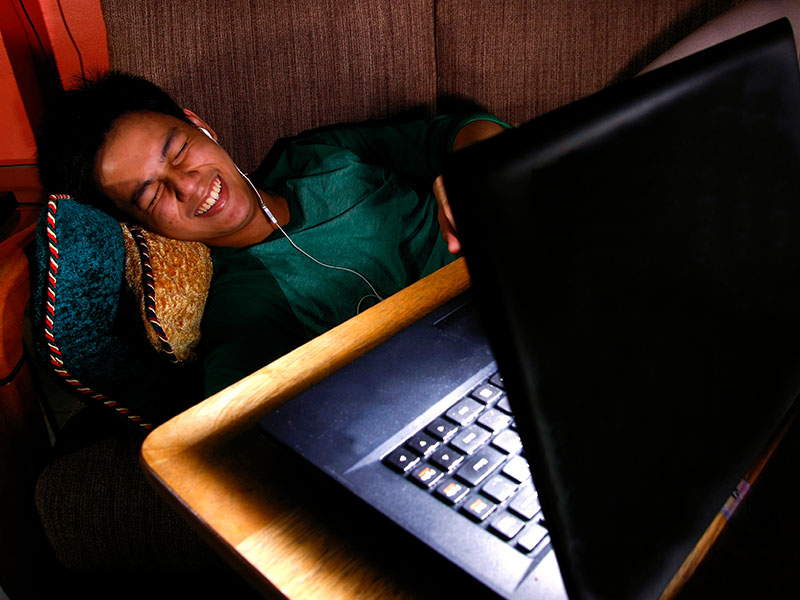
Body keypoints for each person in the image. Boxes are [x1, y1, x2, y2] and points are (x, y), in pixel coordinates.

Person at [35, 73, 508, 395]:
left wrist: (474, 169)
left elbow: (459, 131)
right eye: (151, 196)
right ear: (144, 228)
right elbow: (240, 411)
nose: (188, 184)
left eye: (178, 149)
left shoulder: (314, 153)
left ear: (199, 125)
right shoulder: (241, 304)